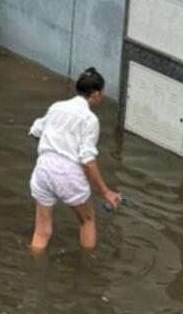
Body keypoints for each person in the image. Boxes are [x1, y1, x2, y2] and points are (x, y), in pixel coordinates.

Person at [27, 67, 123, 253]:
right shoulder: (90, 119)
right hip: (67, 172)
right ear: (95, 95)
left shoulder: (56, 107)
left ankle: (33, 266)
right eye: (102, 92)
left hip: (43, 169)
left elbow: (35, 130)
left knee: (41, 231)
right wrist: (105, 192)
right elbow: (87, 159)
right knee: (87, 221)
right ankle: (87, 269)